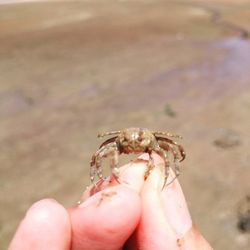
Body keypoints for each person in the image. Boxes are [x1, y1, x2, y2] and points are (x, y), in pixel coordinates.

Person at [8, 154, 213, 250]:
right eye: (127, 138)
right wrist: (100, 171)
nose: (133, 142)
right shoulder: (119, 143)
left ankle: (164, 175)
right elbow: (100, 153)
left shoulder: (152, 144)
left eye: (139, 139)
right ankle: (100, 179)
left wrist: (174, 163)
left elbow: (172, 145)